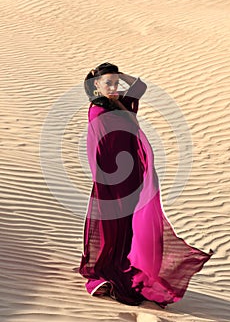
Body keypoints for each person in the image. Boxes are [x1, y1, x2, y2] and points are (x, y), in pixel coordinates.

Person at [74, 62, 213, 307]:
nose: (114, 87)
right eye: (108, 83)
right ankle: (104, 272)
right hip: (109, 179)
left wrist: (118, 75)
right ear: (96, 85)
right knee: (109, 226)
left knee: (128, 224)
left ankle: (122, 264)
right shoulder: (96, 110)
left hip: (133, 175)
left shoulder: (124, 103)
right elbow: (97, 147)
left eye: (116, 83)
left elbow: (141, 86)